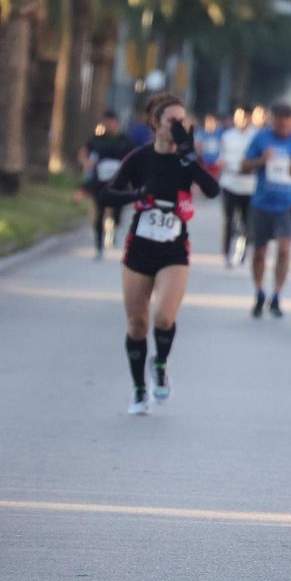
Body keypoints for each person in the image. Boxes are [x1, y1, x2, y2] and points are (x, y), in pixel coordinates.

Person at [98, 93, 220, 414]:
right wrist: (137, 195)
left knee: (164, 317)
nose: (179, 127)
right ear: (156, 124)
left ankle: (161, 365)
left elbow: (212, 190)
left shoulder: (186, 160)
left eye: (183, 121)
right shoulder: (139, 158)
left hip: (173, 250)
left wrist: (190, 157)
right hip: (139, 248)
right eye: (172, 122)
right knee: (137, 324)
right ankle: (139, 389)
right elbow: (107, 193)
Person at [240, 103, 291, 318]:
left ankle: (277, 295)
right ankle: (259, 291)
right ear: (273, 120)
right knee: (260, 252)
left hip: (286, 205)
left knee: (284, 249)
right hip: (261, 203)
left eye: (287, 120)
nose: (283, 125)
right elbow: (243, 166)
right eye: (279, 120)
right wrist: (261, 160)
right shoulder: (261, 138)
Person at [79, 111, 134, 260]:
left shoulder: (124, 141)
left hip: (119, 183)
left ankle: (114, 227)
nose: (109, 125)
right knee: (99, 211)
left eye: (112, 122)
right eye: (106, 122)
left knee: (117, 211)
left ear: (116, 123)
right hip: (100, 181)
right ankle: (99, 245)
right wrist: (87, 163)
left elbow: (133, 157)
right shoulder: (96, 140)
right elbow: (84, 152)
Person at [215, 106, 257, 267]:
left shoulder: (255, 137)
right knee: (229, 220)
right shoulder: (227, 136)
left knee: (246, 222)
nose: (242, 120)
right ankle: (226, 253)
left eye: (245, 117)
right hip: (229, 183)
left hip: (249, 185)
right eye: (238, 117)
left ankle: (242, 252)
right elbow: (222, 157)